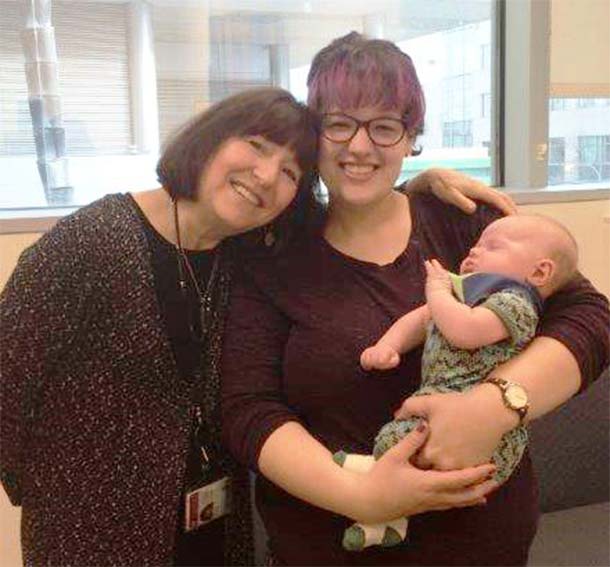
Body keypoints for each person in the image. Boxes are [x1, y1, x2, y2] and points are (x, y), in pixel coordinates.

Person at [0, 85, 516, 566]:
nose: (267, 176)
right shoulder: (92, 244)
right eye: (255, 145)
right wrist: (60, 488)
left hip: (215, 522)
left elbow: (356, 204)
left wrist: (417, 185)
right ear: (208, 140)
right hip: (94, 532)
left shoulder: (248, 251)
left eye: (292, 171)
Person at [221, 33, 610, 566]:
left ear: (411, 138)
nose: (360, 147)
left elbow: (589, 317)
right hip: (329, 545)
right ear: (314, 133)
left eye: (385, 127)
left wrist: (493, 407)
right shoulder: (273, 254)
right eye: (339, 123)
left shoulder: (465, 225)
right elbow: (248, 410)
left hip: (482, 543)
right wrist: (362, 495)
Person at [337, 214, 579, 551]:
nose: (474, 252)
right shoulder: (461, 295)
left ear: (539, 272)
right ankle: (386, 512)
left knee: (412, 451)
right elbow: (420, 319)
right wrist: (388, 346)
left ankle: (382, 504)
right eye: (476, 244)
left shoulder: (516, 303)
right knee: (398, 440)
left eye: (492, 246)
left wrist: (437, 291)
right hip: (437, 403)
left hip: (488, 439)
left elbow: (465, 331)